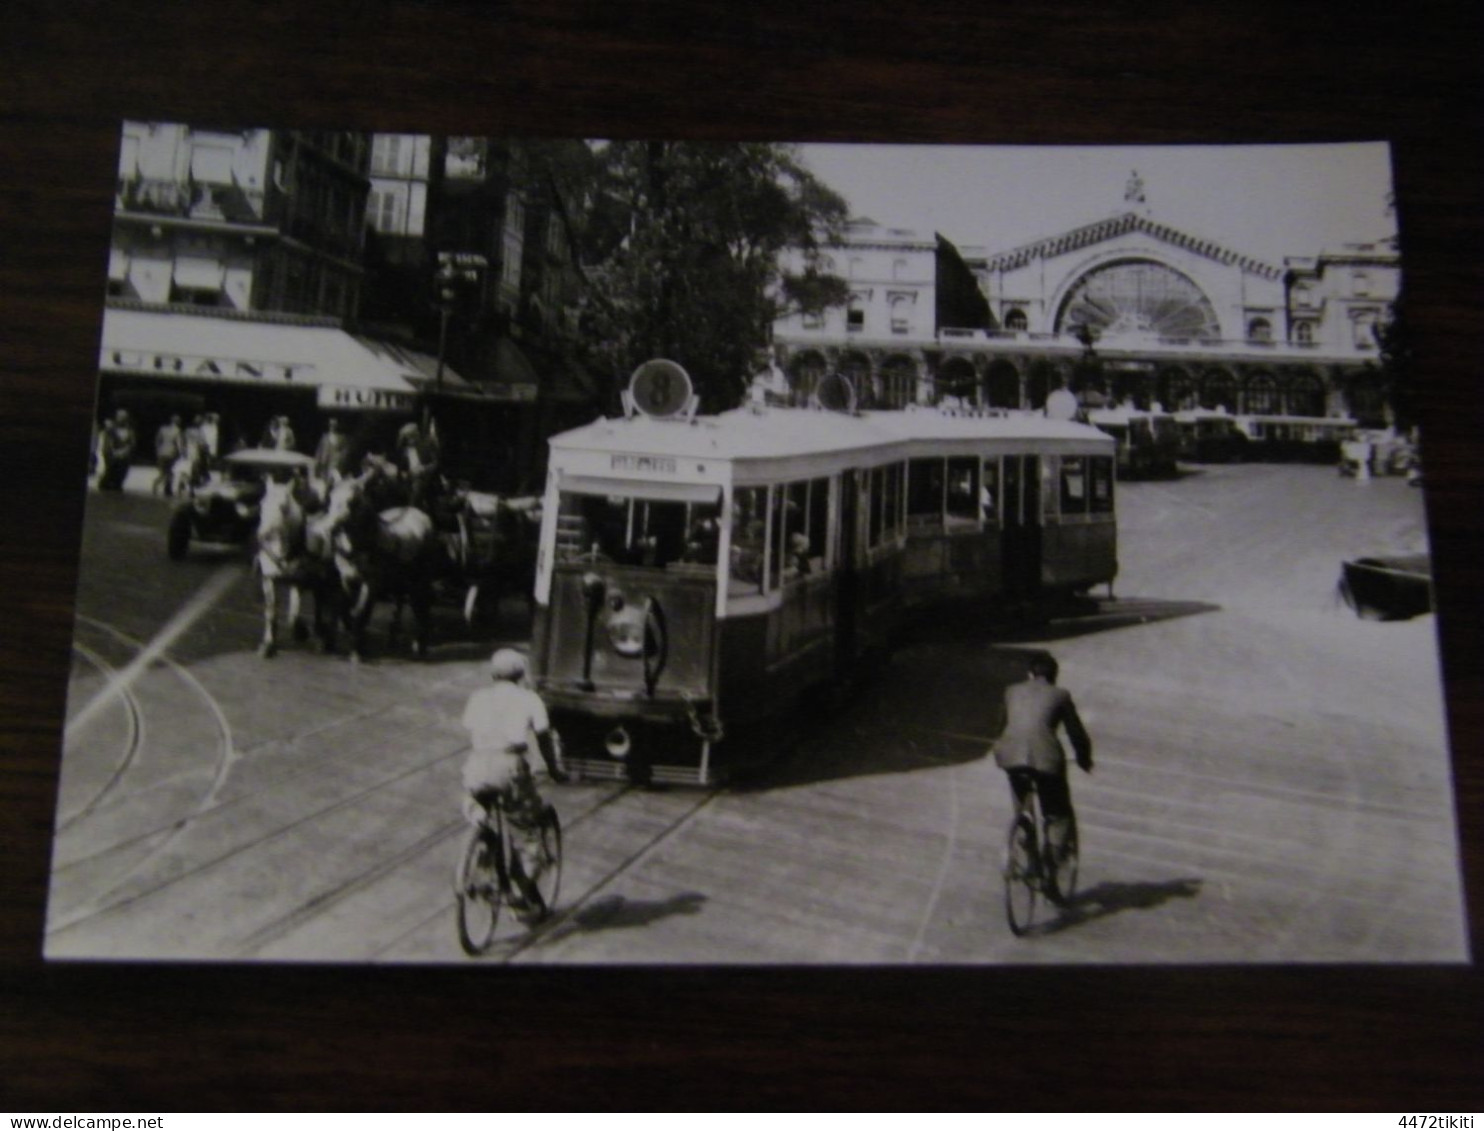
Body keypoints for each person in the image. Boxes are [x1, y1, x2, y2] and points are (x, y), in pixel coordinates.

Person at [460, 648, 569, 916]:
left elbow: (471, 727)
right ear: (521, 674)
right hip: (509, 766)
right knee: (525, 828)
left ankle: (478, 825)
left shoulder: (478, 697)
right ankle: (521, 890)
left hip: (477, 765)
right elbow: (543, 737)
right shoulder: (530, 699)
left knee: (478, 799)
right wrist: (554, 769)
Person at [991, 653, 1092, 887]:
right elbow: (1076, 734)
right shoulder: (1060, 695)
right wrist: (1083, 759)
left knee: (1023, 807)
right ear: (1054, 676)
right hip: (1046, 760)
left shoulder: (1011, 691)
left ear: (1030, 673)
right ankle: (1051, 865)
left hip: (1010, 756)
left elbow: (1000, 726)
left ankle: (1027, 847)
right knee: (1058, 813)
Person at [314, 417, 352, 481]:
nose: (332, 426)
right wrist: (317, 462)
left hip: (334, 465)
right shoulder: (324, 436)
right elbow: (319, 451)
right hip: (323, 464)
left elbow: (344, 452)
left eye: (334, 425)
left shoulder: (341, 438)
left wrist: (339, 460)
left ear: (337, 426)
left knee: (332, 479)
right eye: (330, 424)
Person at [153, 414, 184, 496]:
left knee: (163, 472)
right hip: (171, 453)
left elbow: (157, 440)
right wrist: (181, 453)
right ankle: (167, 489)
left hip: (162, 453)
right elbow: (179, 443)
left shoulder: (163, 429)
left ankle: (157, 484)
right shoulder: (178, 430)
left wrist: (158, 450)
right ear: (178, 422)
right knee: (169, 472)